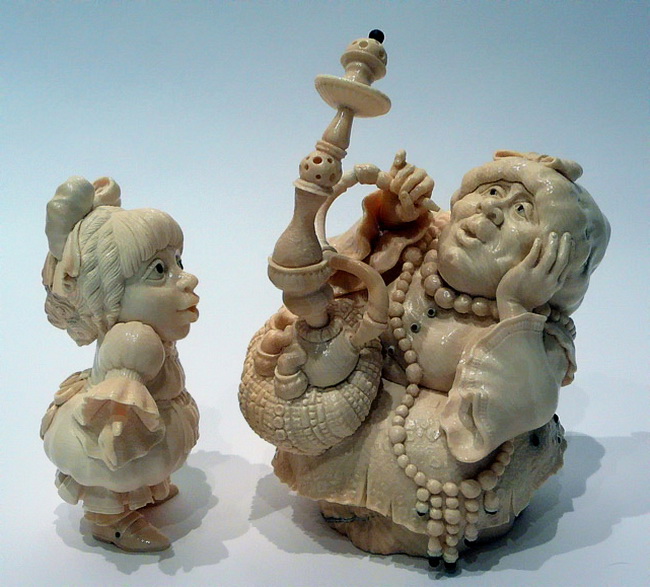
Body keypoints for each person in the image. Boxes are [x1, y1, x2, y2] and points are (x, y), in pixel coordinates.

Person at [240, 150, 610, 564]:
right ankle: (346, 500)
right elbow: (337, 269)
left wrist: (516, 308)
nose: (491, 210)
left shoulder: (540, 331)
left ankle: (407, 525)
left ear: (554, 264)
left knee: (443, 460)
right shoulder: (420, 245)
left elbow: (502, 413)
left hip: (439, 436)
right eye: (491, 192)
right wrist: (392, 217)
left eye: (522, 211)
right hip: (360, 394)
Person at [40, 177, 200, 552]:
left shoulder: (153, 335)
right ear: (109, 297)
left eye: (177, 262)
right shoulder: (134, 339)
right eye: (159, 271)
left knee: (141, 451)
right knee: (113, 459)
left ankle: (144, 490)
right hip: (116, 417)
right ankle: (107, 518)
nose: (186, 277)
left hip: (148, 410)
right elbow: (125, 404)